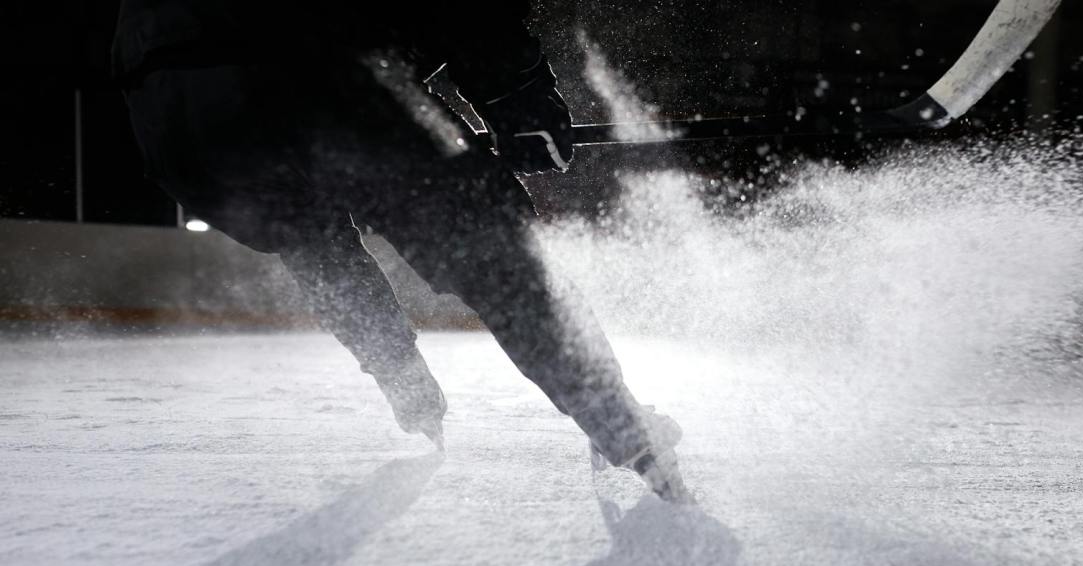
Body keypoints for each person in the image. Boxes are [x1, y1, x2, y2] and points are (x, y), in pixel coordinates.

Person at [111, 1, 688, 500]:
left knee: (314, 243)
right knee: (485, 240)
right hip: (315, 69)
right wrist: (519, 100)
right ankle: (619, 423)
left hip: (178, 129)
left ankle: (405, 383)